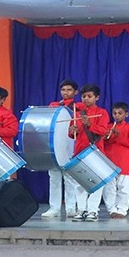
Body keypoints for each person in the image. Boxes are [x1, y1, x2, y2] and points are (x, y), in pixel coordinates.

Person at [43, 79, 86, 218]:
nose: (65, 92)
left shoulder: (79, 106)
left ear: (75, 92)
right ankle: (54, 208)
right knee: (53, 177)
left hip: (70, 144)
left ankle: (71, 208)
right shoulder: (54, 105)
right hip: (55, 145)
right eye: (63, 90)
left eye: (69, 90)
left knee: (70, 178)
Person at [74, 83, 113, 220]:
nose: (86, 99)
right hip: (79, 151)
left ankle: (93, 210)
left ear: (97, 97)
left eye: (89, 96)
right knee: (79, 183)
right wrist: (72, 131)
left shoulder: (102, 113)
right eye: (84, 96)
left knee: (96, 182)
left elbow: (103, 131)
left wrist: (89, 124)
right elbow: (72, 134)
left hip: (95, 151)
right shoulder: (77, 113)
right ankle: (81, 209)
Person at [100, 102, 129, 219]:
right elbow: (102, 143)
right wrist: (107, 136)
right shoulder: (108, 127)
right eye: (114, 113)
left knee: (124, 187)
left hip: (124, 161)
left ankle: (122, 210)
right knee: (109, 188)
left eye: (120, 113)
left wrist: (119, 136)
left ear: (126, 114)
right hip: (109, 160)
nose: (117, 116)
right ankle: (112, 209)